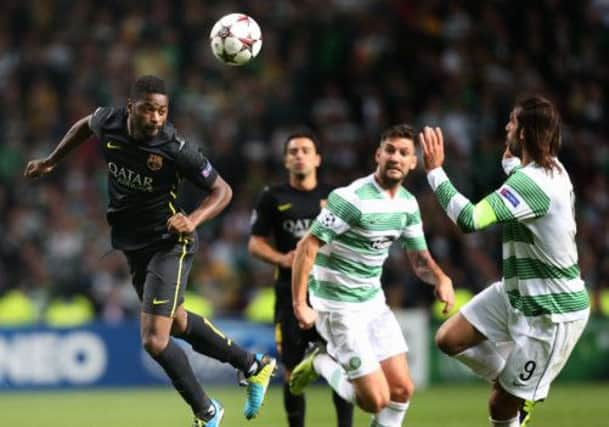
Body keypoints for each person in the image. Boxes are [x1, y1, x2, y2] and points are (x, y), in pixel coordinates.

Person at [24, 75, 276, 427]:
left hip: (170, 243)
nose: (156, 118)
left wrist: (194, 219)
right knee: (177, 322)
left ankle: (207, 411)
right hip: (134, 244)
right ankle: (253, 365)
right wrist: (52, 161)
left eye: (162, 111)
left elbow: (223, 190)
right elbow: (84, 126)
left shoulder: (175, 147)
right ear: (131, 109)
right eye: (148, 109)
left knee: (154, 340)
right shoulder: (108, 121)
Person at [419, 95, 590, 427]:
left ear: (524, 132)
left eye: (512, 121)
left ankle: (515, 395)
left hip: (551, 312)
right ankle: (515, 387)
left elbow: (469, 219)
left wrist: (435, 172)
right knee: (448, 339)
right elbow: (520, 175)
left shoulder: (532, 184)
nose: (506, 126)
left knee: (500, 407)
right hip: (516, 293)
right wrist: (510, 164)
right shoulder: (551, 168)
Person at [288, 124, 455, 427]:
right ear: (378, 154)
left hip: (373, 304)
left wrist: (441, 279)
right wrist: (300, 304)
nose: (395, 157)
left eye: (404, 153)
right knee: (374, 400)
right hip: (337, 307)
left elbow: (419, 259)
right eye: (390, 150)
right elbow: (306, 247)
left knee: (402, 390)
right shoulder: (351, 199)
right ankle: (321, 361)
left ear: (413, 162)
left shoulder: (407, 204)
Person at [248, 132, 354, 427]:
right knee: (292, 370)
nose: (299, 155)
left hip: (330, 293)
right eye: (293, 151)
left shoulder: (336, 197)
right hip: (288, 293)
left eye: (305, 150)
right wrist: (282, 259)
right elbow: (254, 243)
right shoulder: (273, 196)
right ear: (285, 159)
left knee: (341, 365)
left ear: (317, 158)